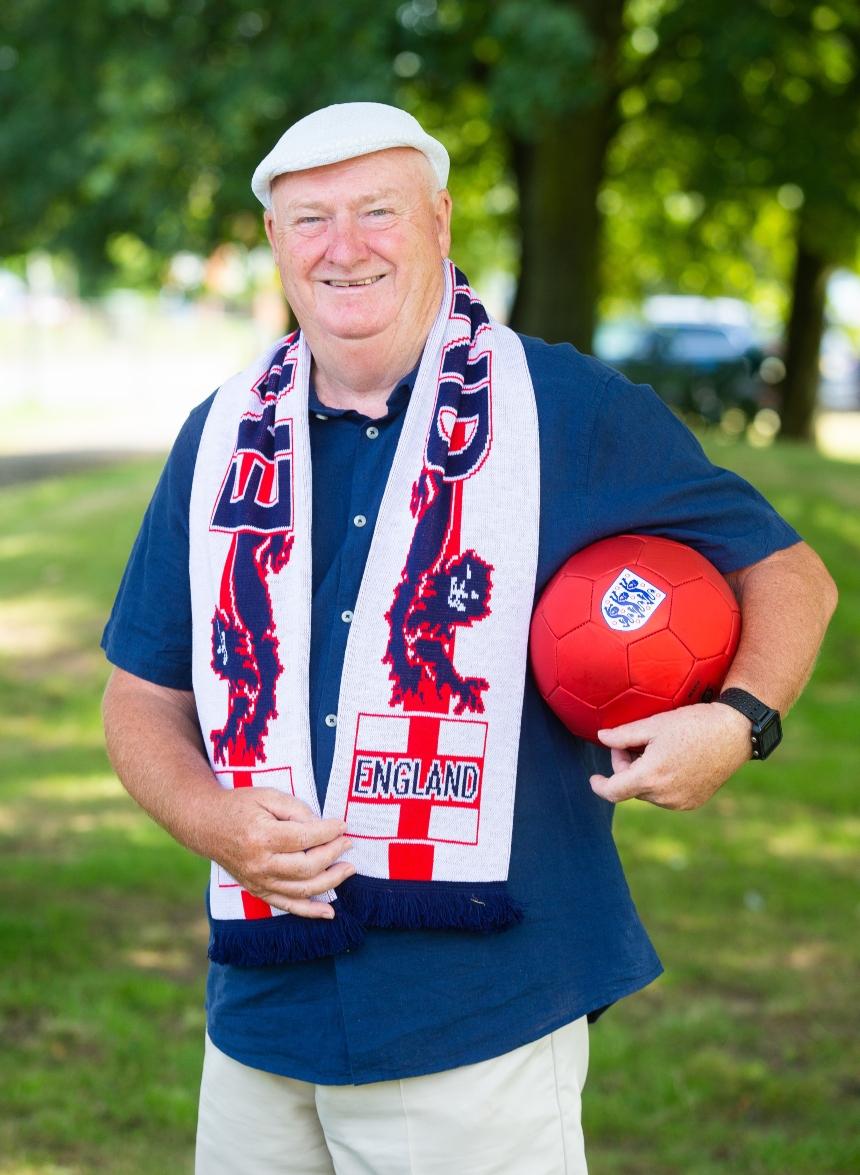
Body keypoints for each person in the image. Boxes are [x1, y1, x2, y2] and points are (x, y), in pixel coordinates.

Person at [101, 102, 836, 1174]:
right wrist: (209, 815)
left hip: (480, 1002)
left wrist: (738, 721)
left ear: (439, 222)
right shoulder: (217, 438)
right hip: (264, 1002)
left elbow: (789, 577)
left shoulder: (563, 405)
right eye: (309, 219)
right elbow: (140, 693)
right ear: (272, 240)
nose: (343, 246)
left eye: (376, 211)